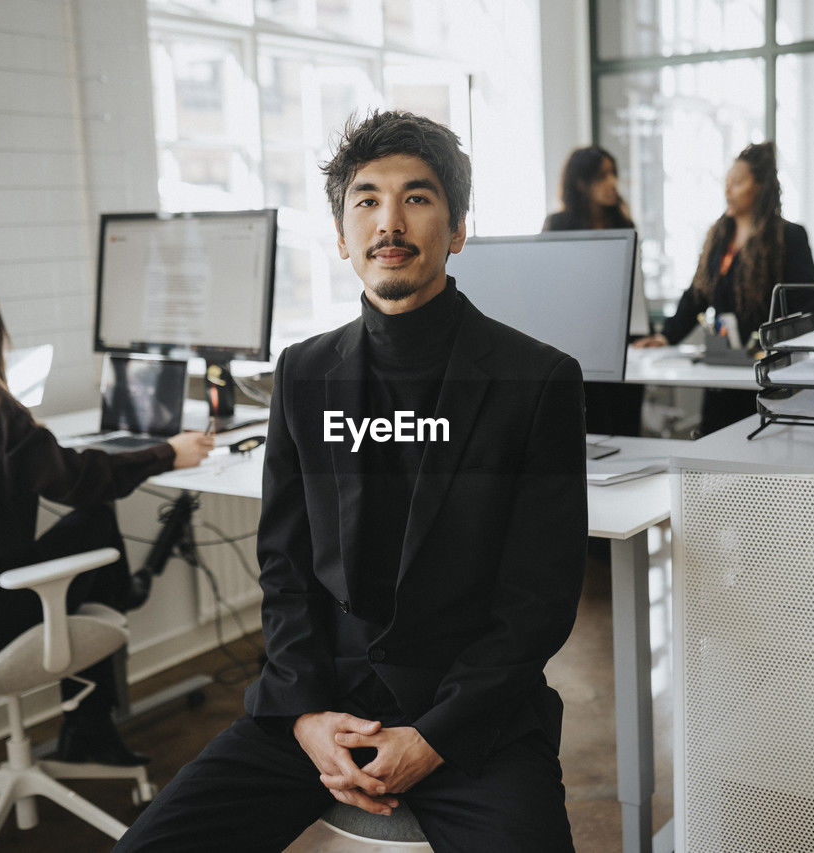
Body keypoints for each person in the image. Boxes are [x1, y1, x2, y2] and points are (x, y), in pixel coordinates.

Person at [116, 111, 587, 852]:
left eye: (418, 198)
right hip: (320, 709)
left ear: (458, 229)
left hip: (471, 721)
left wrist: (432, 736)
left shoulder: (538, 380)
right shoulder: (303, 374)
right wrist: (304, 715)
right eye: (366, 200)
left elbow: (538, 602)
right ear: (341, 236)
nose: (388, 222)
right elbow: (287, 569)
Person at [0, 270, 214, 765]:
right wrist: (168, 453)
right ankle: (91, 716)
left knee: (81, 540)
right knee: (94, 519)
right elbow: (81, 483)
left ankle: (90, 722)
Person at [637, 141, 814, 435]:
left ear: (760, 187)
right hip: (722, 369)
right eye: (726, 183)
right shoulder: (719, 236)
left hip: (766, 372)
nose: (728, 190)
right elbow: (697, 295)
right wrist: (666, 335)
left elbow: (809, 302)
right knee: (716, 441)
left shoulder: (788, 236)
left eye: (737, 183)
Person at [543, 145, 645, 436]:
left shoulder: (623, 224)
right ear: (581, 182)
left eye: (614, 174)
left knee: (626, 428)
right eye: (603, 176)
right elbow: (552, 288)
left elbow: (634, 288)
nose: (612, 183)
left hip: (623, 339)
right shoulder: (558, 225)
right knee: (588, 429)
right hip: (577, 343)